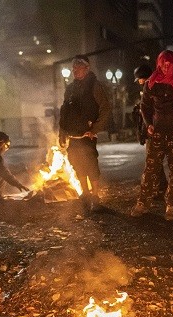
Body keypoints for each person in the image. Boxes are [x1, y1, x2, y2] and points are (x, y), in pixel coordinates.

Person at [130, 49, 173, 220]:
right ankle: (143, 202)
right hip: (158, 133)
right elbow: (144, 106)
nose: (167, 67)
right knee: (151, 169)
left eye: (170, 64)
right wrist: (148, 124)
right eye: (164, 64)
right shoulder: (151, 83)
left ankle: (171, 206)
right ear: (159, 64)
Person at [58, 54, 111, 212]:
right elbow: (64, 112)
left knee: (90, 165)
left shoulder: (94, 86)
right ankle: (85, 194)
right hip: (73, 135)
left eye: (78, 66)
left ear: (87, 68)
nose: (75, 70)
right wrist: (62, 132)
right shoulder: (70, 89)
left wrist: (94, 129)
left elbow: (105, 108)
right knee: (77, 164)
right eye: (73, 67)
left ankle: (95, 196)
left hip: (87, 135)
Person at [133, 63, 167, 199]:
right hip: (152, 129)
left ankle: (160, 188)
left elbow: (149, 110)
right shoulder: (152, 86)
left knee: (153, 160)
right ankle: (160, 187)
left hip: (153, 129)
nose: (139, 82)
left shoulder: (151, 87)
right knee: (154, 160)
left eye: (139, 79)